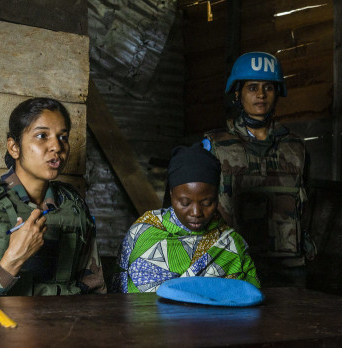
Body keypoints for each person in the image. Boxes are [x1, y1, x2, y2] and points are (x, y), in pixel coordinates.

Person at [0, 98, 106, 297]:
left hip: (68, 324)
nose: (56, 147)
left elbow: (95, 289)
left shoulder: (73, 206)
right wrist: (12, 260)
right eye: (42, 136)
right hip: (2, 326)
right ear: (14, 147)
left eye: (63, 137)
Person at [203, 52, 315, 287]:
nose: (261, 95)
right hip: (233, 263)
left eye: (268, 88)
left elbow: (306, 205)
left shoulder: (296, 147)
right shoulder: (214, 145)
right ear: (237, 93)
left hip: (290, 267)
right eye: (252, 87)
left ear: (277, 93)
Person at [112, 143, 259, 293]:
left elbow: (250, 298)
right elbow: (121, 297)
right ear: (171, 195)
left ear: (217, 197)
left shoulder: (231, 243)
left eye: (207, 202)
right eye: (185, 203)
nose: (196, 212)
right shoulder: (142, 232)